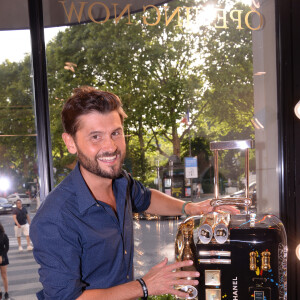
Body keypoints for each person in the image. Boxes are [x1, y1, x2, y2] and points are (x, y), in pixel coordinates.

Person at [30, 86, 238, 300]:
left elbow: (146, 197)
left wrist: (190, 207)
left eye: (115, 133)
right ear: (70, 143)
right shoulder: (55, 219)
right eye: (95, 137)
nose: (111, 146)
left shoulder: (120, 182)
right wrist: (144, 286)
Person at [0, 222, 10, 299]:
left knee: (4, 275)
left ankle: (6, 292)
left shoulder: (3, 235)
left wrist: (1, 256)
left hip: (3, 257)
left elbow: (7, 247)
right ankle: (0, 291)